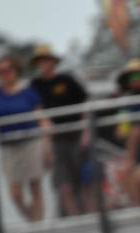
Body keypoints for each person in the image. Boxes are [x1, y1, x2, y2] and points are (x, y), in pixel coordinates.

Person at [0, 55, 53, 223]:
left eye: (8, 70)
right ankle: (31, 218)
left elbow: (42, 118)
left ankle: (38, 225)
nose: (4, 74)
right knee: (15, 193)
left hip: (31, 142)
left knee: (35, 188)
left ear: (16, 71)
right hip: (8, 146)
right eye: (0, 71)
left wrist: (47, 146)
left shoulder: (28, 93)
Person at [29, 45, 93, 216]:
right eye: (40, 61)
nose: (44, 64)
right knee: (64, 185)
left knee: (85, 181)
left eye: (46, 60)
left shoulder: (67, 80)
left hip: (76, 136)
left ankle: (90, 217)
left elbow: (84, 104)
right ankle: (75, 221)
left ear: (53, 62)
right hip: (55, 141)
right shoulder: (35, 85)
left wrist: (85, 132)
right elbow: (36, 113)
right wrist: (46, 145)